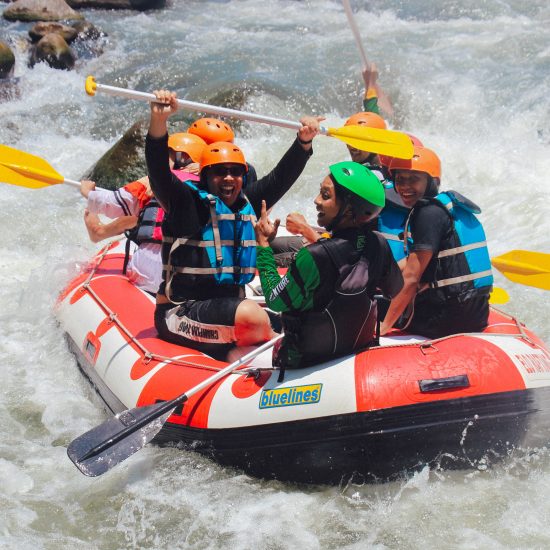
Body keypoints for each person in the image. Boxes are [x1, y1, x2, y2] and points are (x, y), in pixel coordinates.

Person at [146, 89, 322, 359]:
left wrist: (304, 142)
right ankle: (266, 347)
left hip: (229, 309)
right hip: (181, 312)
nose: (228, 178)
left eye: (235, 172)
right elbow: (158, 172)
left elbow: (280, 178)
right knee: (251, 315)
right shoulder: (185, 204)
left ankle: (247, 348)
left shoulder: (245, 203)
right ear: (205, 176)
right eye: (219, 172)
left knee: (304, 321)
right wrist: (159, 121)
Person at [255, 161, 403, 370]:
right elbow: (394, 289)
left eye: (325, 195)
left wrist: (263, 245)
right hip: (357, 349)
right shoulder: (378, 243)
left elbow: (275, 300)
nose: (316, 201)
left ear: (349, 209)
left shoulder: (313, 255)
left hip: (309, 361)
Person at [380, 146, 493, 338]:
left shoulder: (427, 213)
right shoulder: (449, 207)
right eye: (400, 179)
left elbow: (411, 277)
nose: (404, 186)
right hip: (477, 314)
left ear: (434, 181)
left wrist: (384, 327)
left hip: (446, 320)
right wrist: (382, 275)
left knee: (374, 304)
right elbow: (419, 261)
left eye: (413, 179)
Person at [80, 132, 206, 294]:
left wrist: (88, 192)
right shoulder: (212, 187)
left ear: (182, 157)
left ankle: (99, 231)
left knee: (139, 208)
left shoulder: (151, 182)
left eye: (166, 154)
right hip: (190, 277)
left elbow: (110, 203)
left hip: (146, 271)